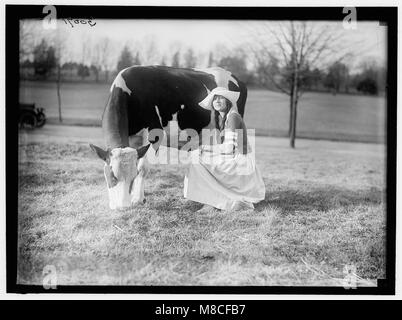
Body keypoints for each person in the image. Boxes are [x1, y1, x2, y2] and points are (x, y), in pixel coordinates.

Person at [183, 87, 266, 212]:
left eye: (221, 97)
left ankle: (212, 201)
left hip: (240, 162)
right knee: (196, 157)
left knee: (197, 159)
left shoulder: (233, 117)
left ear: (228, 101)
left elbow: (228, 148)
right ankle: (211, 199)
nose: (217, 100)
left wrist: (203, 148)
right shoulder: (225, 119)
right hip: (234, 158)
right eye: (215, 98)